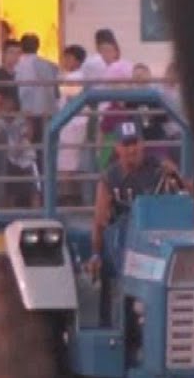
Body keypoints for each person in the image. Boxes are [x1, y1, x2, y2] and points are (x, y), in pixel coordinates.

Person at [87, 127, 184, 282]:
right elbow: (99, 221)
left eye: (135, 143)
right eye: (126, 144)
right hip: (123, 235)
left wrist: (176, 174)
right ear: (117, 148)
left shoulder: (158, 167)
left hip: (154, 231)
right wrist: (95, 254)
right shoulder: (110, 177)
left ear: (142, 144)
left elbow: (185, 192)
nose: (132, 149)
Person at [0, 70, 38, 208]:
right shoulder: (6, 116)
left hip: (22, 155)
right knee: (12, 188)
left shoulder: (17, 114)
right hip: (13, 153)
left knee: (28, 189)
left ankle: (3, 211)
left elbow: (29, 133)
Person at [57, 44, 91, 206]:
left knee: (67, 163)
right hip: (75, 123)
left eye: (68, 58)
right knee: (71, 161)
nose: (65, 61)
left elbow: (70, 102)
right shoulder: (76, 76)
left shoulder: (74, 78)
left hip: (71, 124)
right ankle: (71, 197)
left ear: (76, 61)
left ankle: (67, 198)